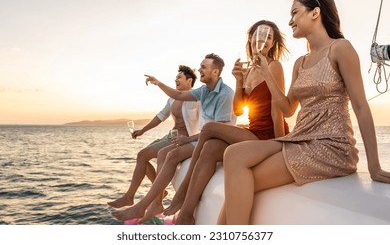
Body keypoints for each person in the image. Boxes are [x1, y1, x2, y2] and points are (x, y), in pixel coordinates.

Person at [218, 0, 390, 225]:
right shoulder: (300, 62)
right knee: (233, 154)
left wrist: (374, 166)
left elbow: (361, 106)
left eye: (295, 13)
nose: (289, 21)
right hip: (300, 138)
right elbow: (288, 109)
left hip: (330, 145)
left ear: (315, 13)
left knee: (243, 180)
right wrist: (267, 73)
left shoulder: (341, 48)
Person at [163, 20, 290, 224]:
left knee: (211, 127)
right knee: (211, 147)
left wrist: (281, 145)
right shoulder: (247, 71)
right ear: (251, 38)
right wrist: (239, 81)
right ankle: (186, 214)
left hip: (268, 134)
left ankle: (182, 194)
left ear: (273, 43)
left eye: (269, 37)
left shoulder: (274, 66)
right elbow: (239, 109)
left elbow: (278, 113)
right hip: (253, 130)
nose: (264, 40)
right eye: (260, 35)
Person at [112, 53, 236, 222]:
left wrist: (190, 139)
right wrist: (159, 83)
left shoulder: (224, 94)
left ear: (215, 72)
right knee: (158, 154)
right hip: (194, 137)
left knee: (169, 154)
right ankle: (153, 200)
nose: (199, 69)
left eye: (203, 67)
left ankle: (147, 204)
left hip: (210, 140)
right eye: (199, 66)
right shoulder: (203, 92)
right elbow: (172, 103)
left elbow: (219, 130)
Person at [107, 65, 199, 209]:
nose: (176, 79)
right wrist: (142, 130)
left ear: (189, 80)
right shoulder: (172, 100)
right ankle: (153, 193)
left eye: (179, 77)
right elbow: (160, 117)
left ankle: (132, 197)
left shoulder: (197, 98)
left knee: (142, 155)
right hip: (170, 136)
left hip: (184, 139)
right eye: (175, 77)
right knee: (141, 157)